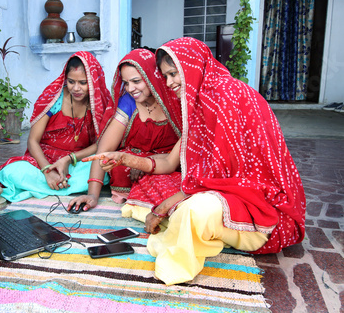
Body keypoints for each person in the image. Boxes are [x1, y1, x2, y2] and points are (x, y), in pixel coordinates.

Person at [84, 37, 306, 285]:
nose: (169, 83)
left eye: (173, 74)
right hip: (223, 191)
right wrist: (125, 158)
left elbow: (220, 177)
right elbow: (172, 163)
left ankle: (175, 267)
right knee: (163, 193)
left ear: (192, 65)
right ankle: (198, 231)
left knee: (193, 211)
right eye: (165, 76)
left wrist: (165, 206)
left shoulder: (228, 96)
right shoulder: (197, 103)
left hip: (257, 200)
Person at [68, 48, 180, 212]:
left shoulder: (174, 99)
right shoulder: (128, 102)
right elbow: (104, 150)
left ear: (152, 77)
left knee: (167, 176)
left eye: (136, 81)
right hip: (130, 161)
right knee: (120, 168)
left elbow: (186, 151)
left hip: (170, 160)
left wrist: (142, 163)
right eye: (126, 83)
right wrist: (92, 195)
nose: (130, 88)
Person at [0, 51, 113, 202]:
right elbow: (33, 140)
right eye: (71, 82)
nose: (76, 88)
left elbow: (102, 144)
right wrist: (47, 170)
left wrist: (67, 159)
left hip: (78, 160)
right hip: (45, 160)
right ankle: (60, 184)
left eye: (83, 83)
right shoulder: (53, 98)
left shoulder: (100, 102)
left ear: (93, 81)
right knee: (11, 173)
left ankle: (49, 187)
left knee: (106, 169)